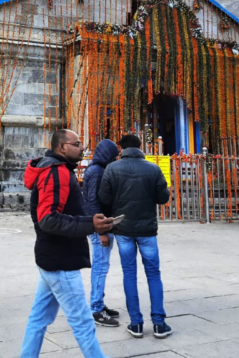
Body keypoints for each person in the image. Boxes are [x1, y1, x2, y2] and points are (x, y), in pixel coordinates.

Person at [20, 129, 113, 358]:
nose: (82, 147)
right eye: (77, 143)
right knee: (83, 324)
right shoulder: (56, 172)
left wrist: (90, 222)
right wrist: (90, 224)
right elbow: (48, 219)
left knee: (38, 319)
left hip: (50, 256)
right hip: (60, 258)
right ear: (62, 147)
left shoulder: (56, 170)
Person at [99, 134, 172, 339]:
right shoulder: (153, 168)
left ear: (121, 149)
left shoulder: (112, 169)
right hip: (147, 230)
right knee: (154, 274)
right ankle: (159, 323)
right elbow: (163, 198)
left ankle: (136, 323)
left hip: (123, 229)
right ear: (140, 147)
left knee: (129, 274)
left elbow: (103, 197)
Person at [82, 139, 120, 327]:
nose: (115, 158)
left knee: (102, 265)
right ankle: (96, 309)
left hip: (101, 224)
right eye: (113, 155)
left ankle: (99, 303)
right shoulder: (97, 172)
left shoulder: (97, 169)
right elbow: (93, 202)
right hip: (99, 226)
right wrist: (102, 231)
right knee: (100, 266)